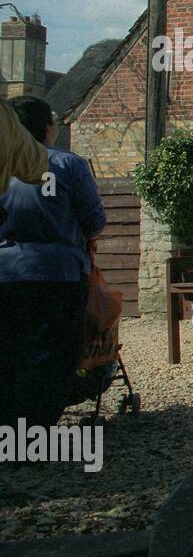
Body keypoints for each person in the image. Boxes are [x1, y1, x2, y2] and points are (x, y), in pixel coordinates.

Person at [0, 96, 106, 428]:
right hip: (56, 273)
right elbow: (95, 221)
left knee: (8, 351)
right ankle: (33, 432)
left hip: (5, 272)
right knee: (52, 354)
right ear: (47, 127)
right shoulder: (66, 164)